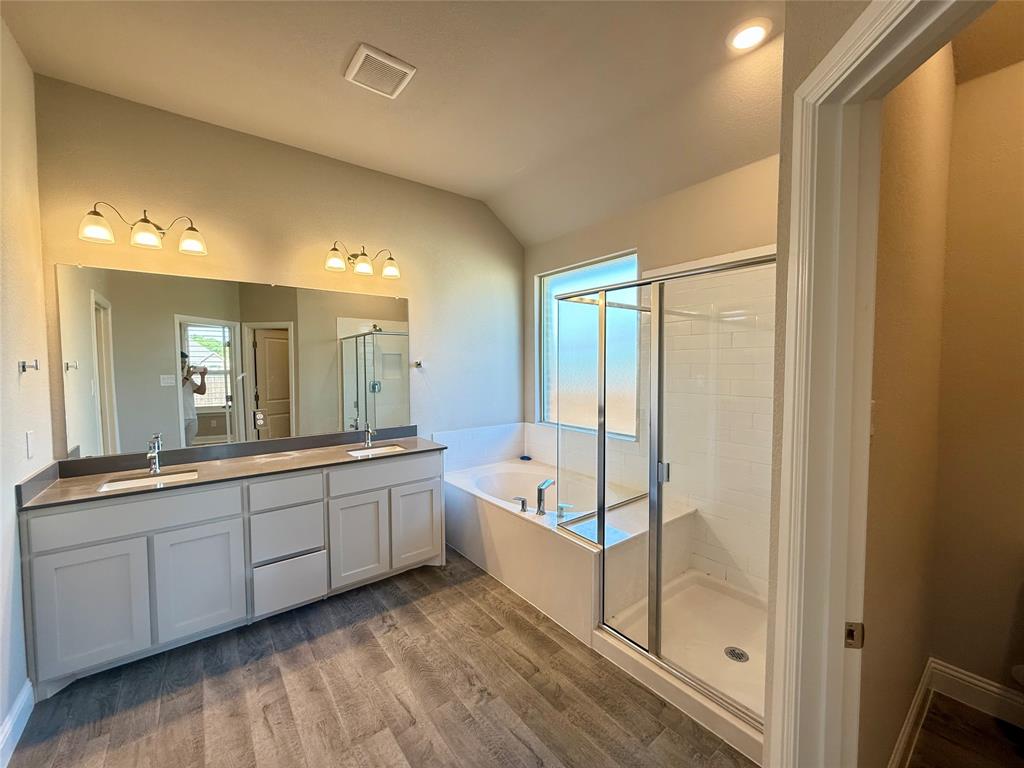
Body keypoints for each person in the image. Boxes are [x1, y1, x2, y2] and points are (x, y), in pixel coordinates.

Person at [181, 351, 207, 446]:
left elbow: (201, 391)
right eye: (181, 362)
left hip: (192, 416)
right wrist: (188, 376)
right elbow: (177, 389)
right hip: (180, 417)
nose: (183, 364)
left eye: (184, 362)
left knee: (189, 443)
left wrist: (203, 377)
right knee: (181, 444)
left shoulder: (188, 379)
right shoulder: (176, 377)